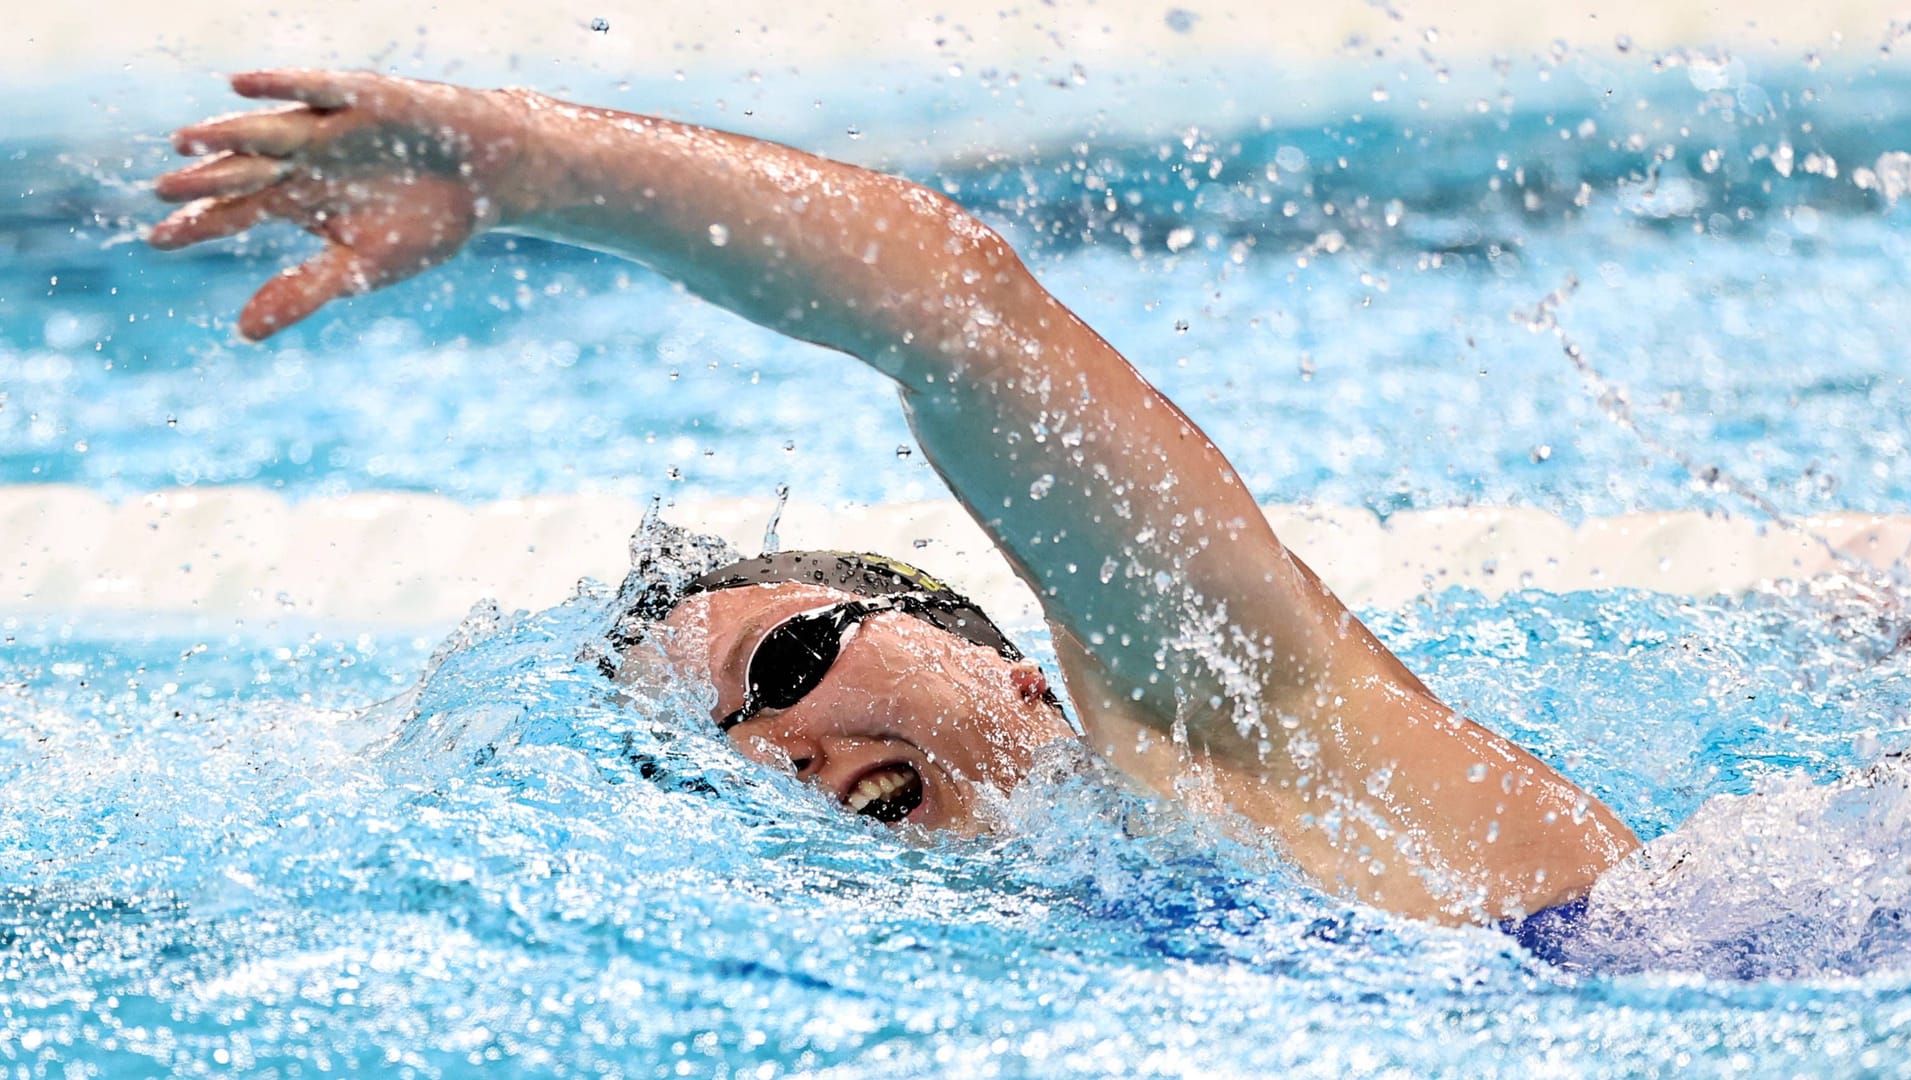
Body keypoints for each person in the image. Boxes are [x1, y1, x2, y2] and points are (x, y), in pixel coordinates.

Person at [149, 69, 1639, 929]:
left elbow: (959, 311)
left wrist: (530, 170)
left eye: (784, 664)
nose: (774, 749)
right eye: (708, 760)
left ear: (1010, 660)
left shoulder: (1242, 728)